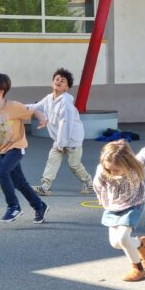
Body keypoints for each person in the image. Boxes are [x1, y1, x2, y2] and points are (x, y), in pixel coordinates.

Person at [0, 72, 49, 223]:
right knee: (20, 183)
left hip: (17, 147)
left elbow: (33, 111)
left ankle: (13, 207)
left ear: (0, 92)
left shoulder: (14, 106)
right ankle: (39, 205)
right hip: (3, 150)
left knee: (1, 173)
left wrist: (43, 119)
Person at [93, 139, 145, 282]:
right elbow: (97, 185)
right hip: (113, 206)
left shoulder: (136, 165)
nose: (112, 172)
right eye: (108, 169)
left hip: (133, 203)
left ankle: (138, 269)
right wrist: (101, 199)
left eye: (116, 169)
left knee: (123, 238)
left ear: (127, 163)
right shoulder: (102, 170)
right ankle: (140, 244)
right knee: (116, 243)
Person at [27, 68, 93, 196]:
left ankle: (90, 183)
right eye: (57, 79)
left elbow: (66, 124)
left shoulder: (66, 103)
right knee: (52, 160)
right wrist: (15, 107)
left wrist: (61, 143)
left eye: (62, 81)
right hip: (60, 139)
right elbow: (35, 107)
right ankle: (45, 187)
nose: (58, 82)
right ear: (52, 82)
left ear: (66, 88)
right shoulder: (48, 98)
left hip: (73, 139)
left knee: (74, 165)